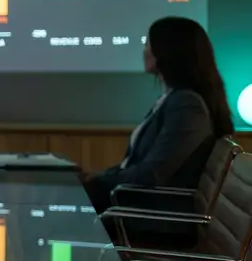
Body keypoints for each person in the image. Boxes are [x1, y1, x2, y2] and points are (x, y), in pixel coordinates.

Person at [83, 16, 234, 212]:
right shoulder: (174, 99)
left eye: (148, 43)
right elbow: (137, 166)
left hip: (155, 216)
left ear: (167, 51)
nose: (145, 51)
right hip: (141, 206)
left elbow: (151, 173)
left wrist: (97, 182)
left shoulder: (187, 104)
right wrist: (96, 177)